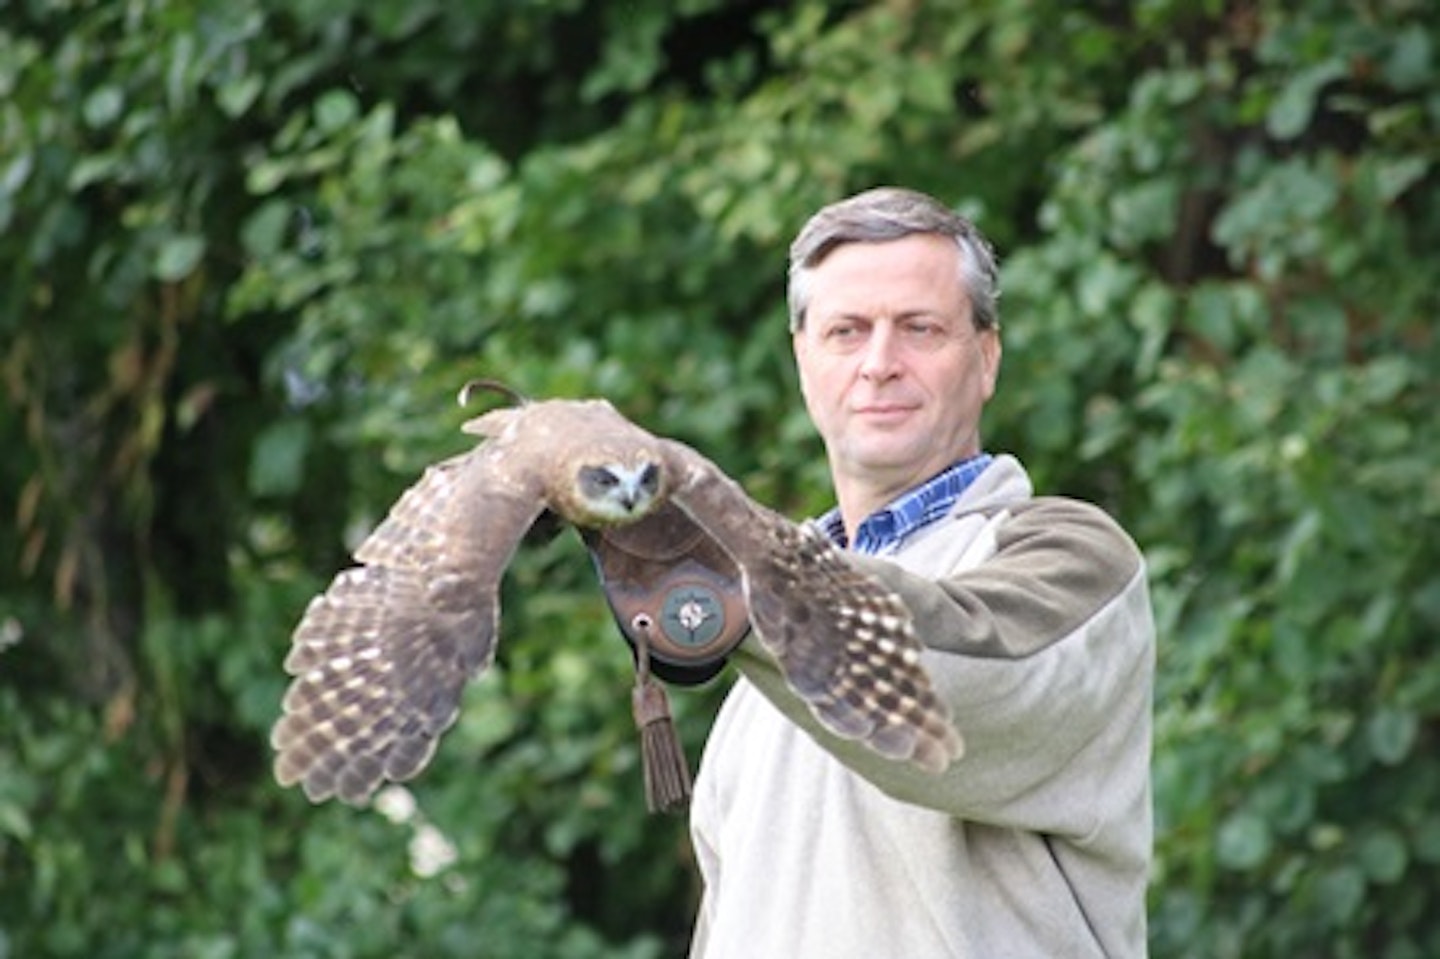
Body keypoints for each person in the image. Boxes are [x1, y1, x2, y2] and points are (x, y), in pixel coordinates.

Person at [687, 187, 1155, 958]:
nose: (879, 363)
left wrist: (734, 561)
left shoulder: (1070, 559)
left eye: (919, 328)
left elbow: (942, 693)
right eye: (846, 331)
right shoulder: (757, 671)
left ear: (986, 357)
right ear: (805, 362)